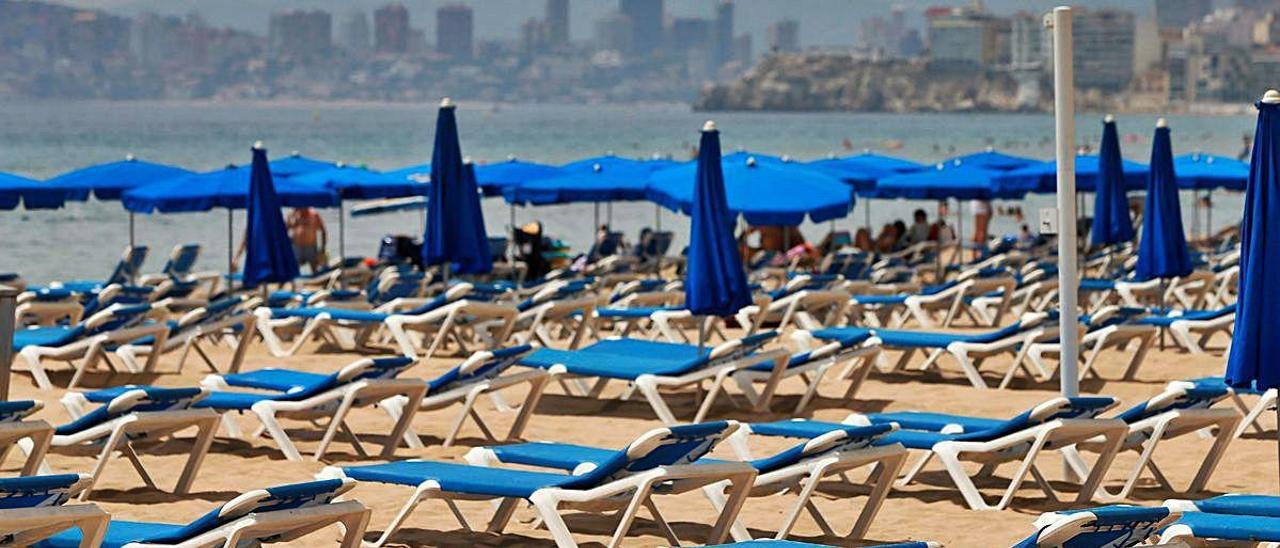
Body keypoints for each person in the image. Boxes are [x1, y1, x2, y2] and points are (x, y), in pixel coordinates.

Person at [288, 207, 328, 273]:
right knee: (293, 268)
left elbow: (323, 231)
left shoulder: (314, 215)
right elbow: (284, 230)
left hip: (311, 246)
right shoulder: (292, 215)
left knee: (314, 268)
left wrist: (323, 248)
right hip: (296, 246)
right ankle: (294, 281)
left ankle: (316, 280)